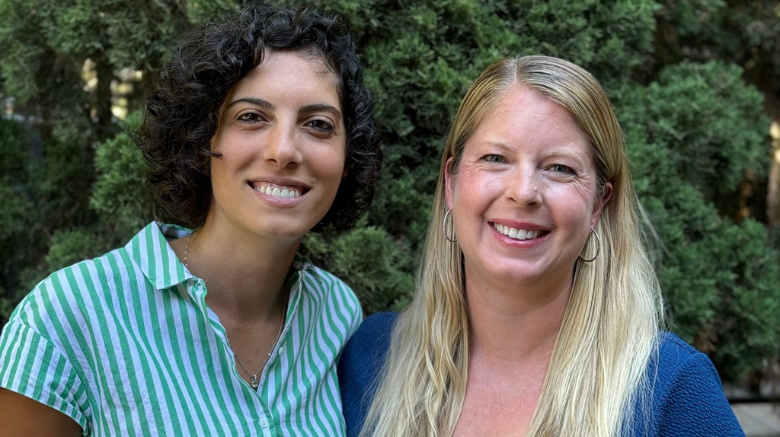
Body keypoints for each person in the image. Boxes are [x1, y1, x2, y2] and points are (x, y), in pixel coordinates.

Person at [0, 5, 380, 436]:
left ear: (347, 157)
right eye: (252, 117)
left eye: (318, 124)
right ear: (203, 140)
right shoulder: (67, 318)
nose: (284, 150)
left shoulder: (334, 313)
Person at [338, 56, 744, 437]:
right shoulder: (372, 355)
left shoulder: (669, 388)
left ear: (599, 204)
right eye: (496, 158)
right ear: (451, 183)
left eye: (560, 168)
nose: (524, 192)